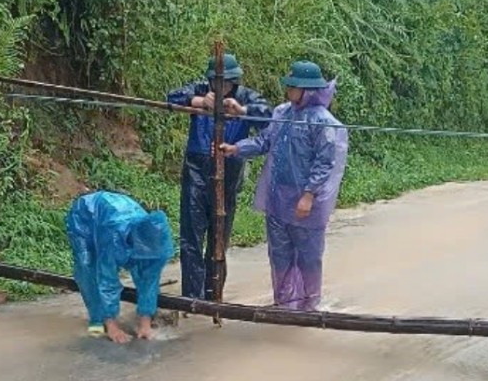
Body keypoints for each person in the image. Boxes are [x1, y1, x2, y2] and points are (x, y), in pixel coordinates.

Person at [219, 60, 348, 311]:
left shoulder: (323, 122)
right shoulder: (281, 113)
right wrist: (236, 148)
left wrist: (308, 195)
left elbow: (324, 162)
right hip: (278, 198)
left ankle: (308, 306)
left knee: (309, 257)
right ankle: (284, 303)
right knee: (279, 255)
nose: (288, 92)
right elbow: (265, 141)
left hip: (307, 203)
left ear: (307, 90)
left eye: (293, 87)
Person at [167, 53, 272, 302]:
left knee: (219, 236)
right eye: (217, 82)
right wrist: (200, 101)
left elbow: (269, 116)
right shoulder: (202, 90)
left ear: (234, 81)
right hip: (196, 167)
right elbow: (171, 97)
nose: (221, 87)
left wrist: (242, 110)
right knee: (191, 236)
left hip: (229, 168)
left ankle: (214, 296)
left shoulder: (246, 97)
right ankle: (192, 297)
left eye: (226, 83)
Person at [65, 190, 175, 343]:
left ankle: (137, 318)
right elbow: (107, 281)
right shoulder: (114, 238)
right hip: (86, 216)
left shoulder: (155, 242)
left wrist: (145, 323)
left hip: (118, 214)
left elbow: (149, 279)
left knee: (146, 269)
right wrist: (113, 326)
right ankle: (98, 320)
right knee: (88, 266)